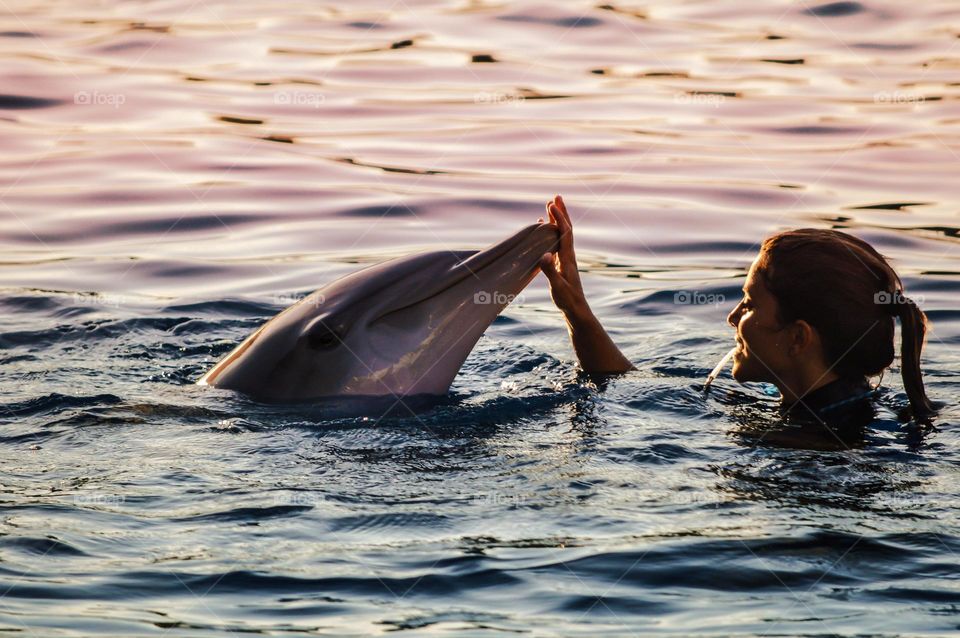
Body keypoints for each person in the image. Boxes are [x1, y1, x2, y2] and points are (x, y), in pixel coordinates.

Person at [537, 195, 935, 429]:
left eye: (750, 303)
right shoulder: (857, 407)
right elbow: (630, 385)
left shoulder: (801, 445)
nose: (733, 318)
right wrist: (577, 310)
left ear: (797, 338)